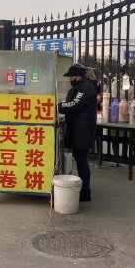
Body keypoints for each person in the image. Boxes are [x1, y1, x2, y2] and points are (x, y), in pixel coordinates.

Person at [59, 63, 98, 202]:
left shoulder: (85, 88)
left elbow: (75, 104)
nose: (70, 79)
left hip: (83, 131)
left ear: (78, 76)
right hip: (78, 130)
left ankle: (85, 193)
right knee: (80, 160)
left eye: (71, 76)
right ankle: (83, 190)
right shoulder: (79, 87)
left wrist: (58, 106)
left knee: (82, 161)